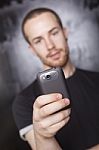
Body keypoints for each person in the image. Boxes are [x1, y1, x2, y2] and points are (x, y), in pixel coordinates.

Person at [12, 7, 99, 150]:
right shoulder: (24, 102)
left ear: (65, 33)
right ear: (32, 49)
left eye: (54, 33)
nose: (50, 45)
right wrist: (42, 136)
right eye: (38, 40)